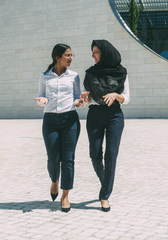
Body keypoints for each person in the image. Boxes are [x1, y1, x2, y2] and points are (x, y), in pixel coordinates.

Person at [81, 40, 130, 212]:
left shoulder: (121, 73)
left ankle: (105, 196)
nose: (93, 55)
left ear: (105, 53)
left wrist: (116, 94)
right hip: (95, 114)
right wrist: (86, 98)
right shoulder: (90, 73)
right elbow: (89, 98)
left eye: (96, 52)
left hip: (114, 115)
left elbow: (127, 98)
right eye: (93, 52)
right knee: (95, 154)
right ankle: (106, 183)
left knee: (111, 155)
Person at [35, 43, 84, 212]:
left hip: (70, 120)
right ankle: (54, 180)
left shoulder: (74, 76)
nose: (71, 58)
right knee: (53, 159)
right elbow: (41, 94)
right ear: (57, 57)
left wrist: (78, 101)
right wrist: (42, 100)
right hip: (50, 120)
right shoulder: (45, 76)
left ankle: (65, 196)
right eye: (68, 55)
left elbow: (77, 96)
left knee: (68, 159)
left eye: (71, 55)